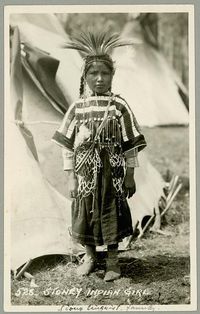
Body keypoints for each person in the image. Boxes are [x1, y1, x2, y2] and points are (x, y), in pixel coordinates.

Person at [52, 31, 147, 282]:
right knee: (85, 212)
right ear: (85, 77)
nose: (100, 79)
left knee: (112, 210)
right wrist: (71, 178)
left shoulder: (119, 106)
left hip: (113, 175)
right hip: (85, 176)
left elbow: (130, 145)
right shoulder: (77, 107)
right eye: (94, 74)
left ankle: (113, 260)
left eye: (105, 73)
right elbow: (67, 146)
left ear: (112, 76)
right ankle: (91, 256)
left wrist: (129, 174)